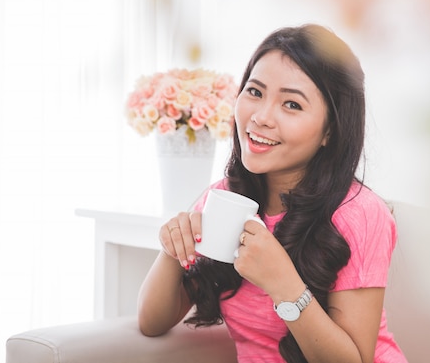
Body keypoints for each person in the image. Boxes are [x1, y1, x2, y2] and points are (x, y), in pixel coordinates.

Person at [137, 24, 408, 363]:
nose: (261, 117)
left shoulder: (359, 213)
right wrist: (172, 250)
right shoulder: (224, 199)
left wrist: (284, 284)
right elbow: (151, 322)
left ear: (330, 131)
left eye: (291, 104)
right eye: (254, 92)